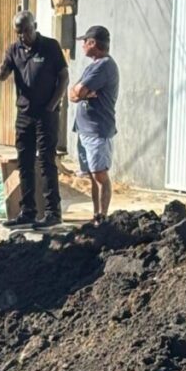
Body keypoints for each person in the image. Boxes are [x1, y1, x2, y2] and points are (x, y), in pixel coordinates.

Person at [0, 11, 69, 229]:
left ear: (34, 26)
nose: (23, 36)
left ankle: (52, 212)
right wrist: (1, 72)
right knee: (24, 161)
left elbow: (64, 77)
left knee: (46, 161)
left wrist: (52, 105)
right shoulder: (14, 49)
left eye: (27, 31)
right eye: (19, 33)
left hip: (46, 113)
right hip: (24, 114)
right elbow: (4, 72)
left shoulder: (50, 47)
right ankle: (27, 211)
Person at [69, 25, 120, 225]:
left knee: (100, 175)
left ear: (93, 43)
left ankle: (102, 218)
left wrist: (81, 92)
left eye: (85, 42)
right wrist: (81, 92)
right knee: (92, 175)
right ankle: (96, 215)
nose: (82, 45)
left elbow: (79, 91)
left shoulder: (104, 66)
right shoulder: (93, 66)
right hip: (85, 130)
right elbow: (73, 93)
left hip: (97, 130)